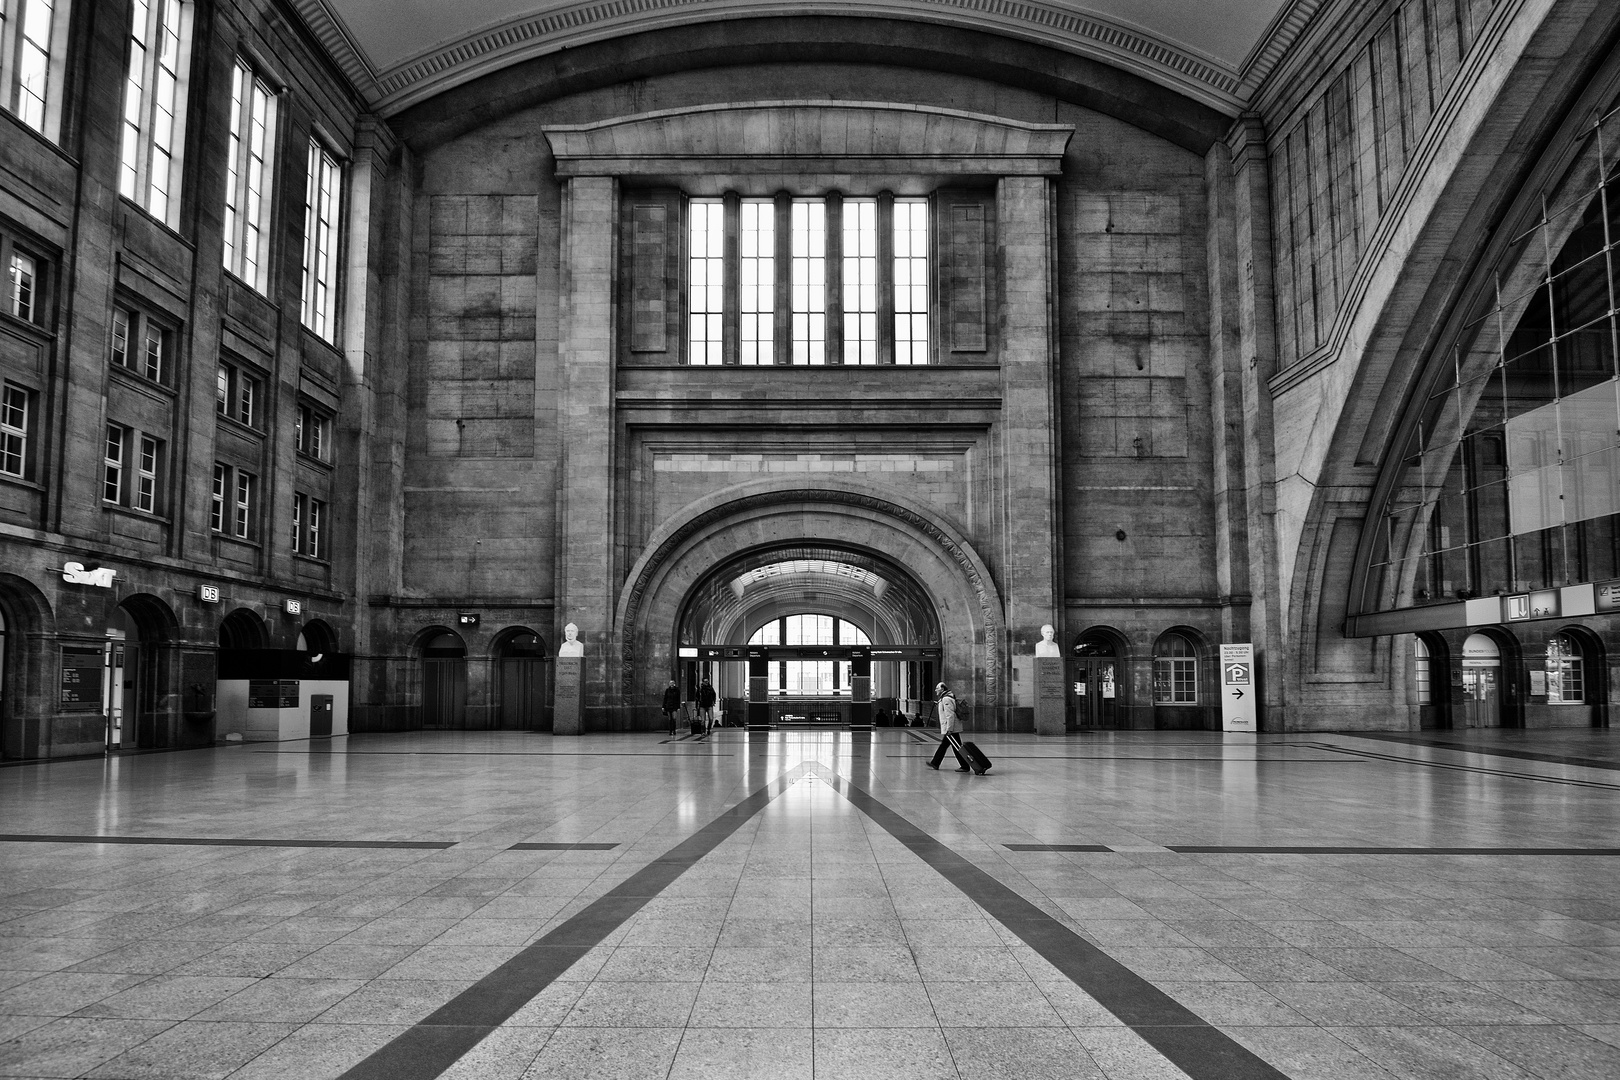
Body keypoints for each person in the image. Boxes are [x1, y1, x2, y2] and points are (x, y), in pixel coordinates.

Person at [926, 682, 971, 772]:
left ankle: (965, 766)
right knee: (949, 746)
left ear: (942, 689)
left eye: (937, 688)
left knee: (956, 747)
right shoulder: (946, 698)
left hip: (951, 728)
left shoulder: (946, 699)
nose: (935, 690)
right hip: (951, 728)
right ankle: (935, 763)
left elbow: (950, 715)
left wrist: (949, 729)